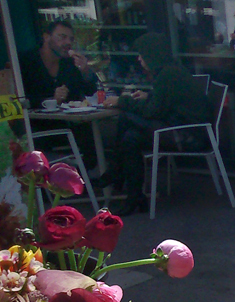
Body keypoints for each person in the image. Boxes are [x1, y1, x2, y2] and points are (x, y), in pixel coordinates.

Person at [97, 33, 211, 215]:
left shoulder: (168, 75)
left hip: (188, 135)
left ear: (153, 54)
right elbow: (164, 103)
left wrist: (122, 101)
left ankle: (115, 172)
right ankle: (134, 197)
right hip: (185, 129)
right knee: (130, 138)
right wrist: (148, 96)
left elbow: (153, 111)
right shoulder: (172, 71)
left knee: (126, 118)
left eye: (142, 54)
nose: (139, 59)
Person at [19, 20, 97, 109]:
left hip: (71, 120)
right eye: (62, 37)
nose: (68, 42)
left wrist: (85, 71)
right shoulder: (26, 61)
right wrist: (52, 100)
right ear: (46, 37)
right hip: (37, 121)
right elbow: (20, 101)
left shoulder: (70, 63)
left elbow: (91, 93)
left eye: (71, 39)